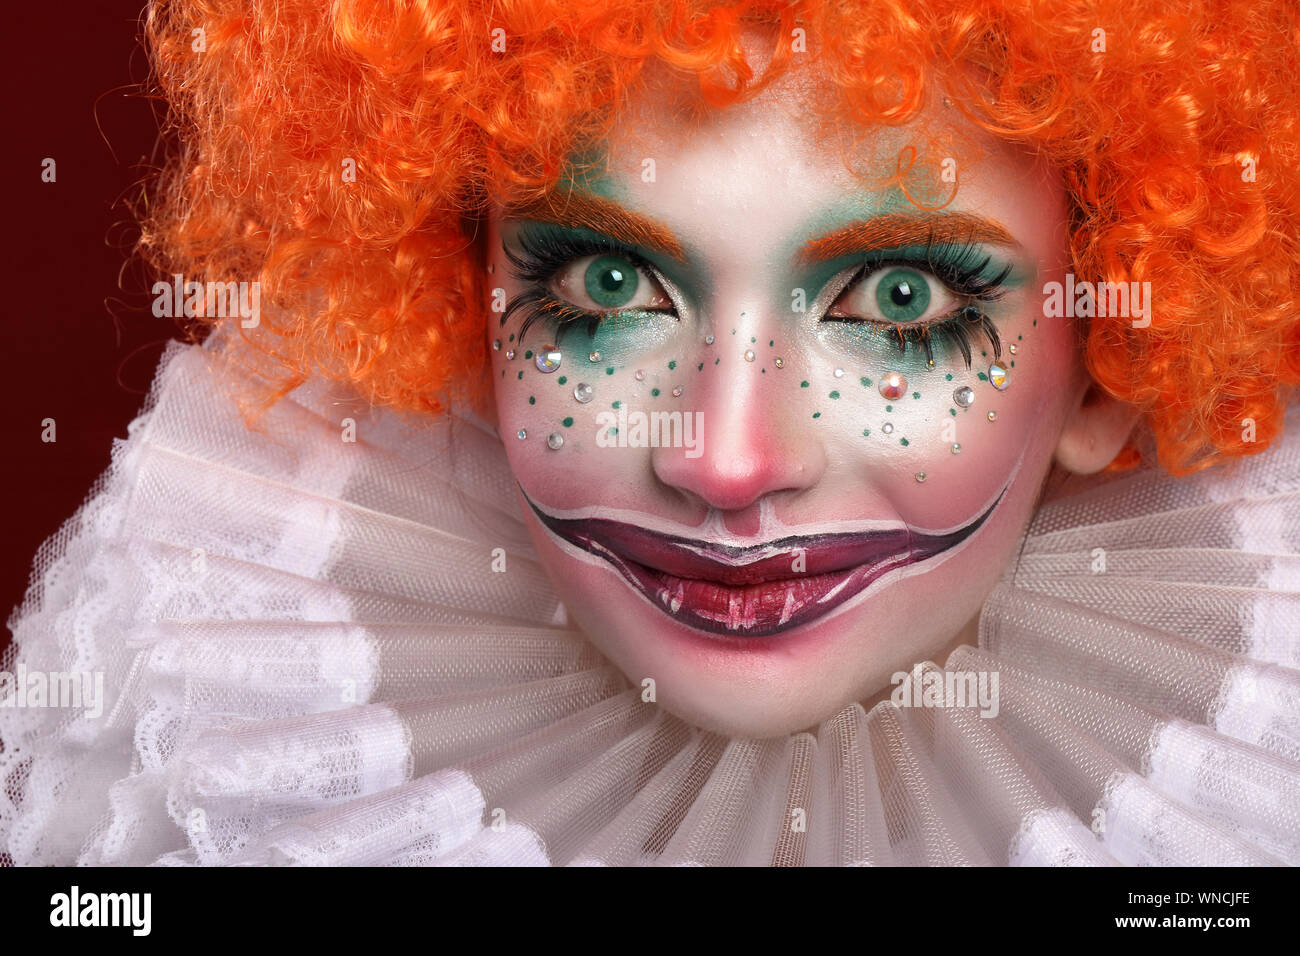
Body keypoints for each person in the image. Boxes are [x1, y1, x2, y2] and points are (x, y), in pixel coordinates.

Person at [2, 0, 1298, 866]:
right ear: (466, 289)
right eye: (608, 288)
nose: (726, 460)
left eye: (900, 303)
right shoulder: (226, 697)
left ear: (1108, 372)